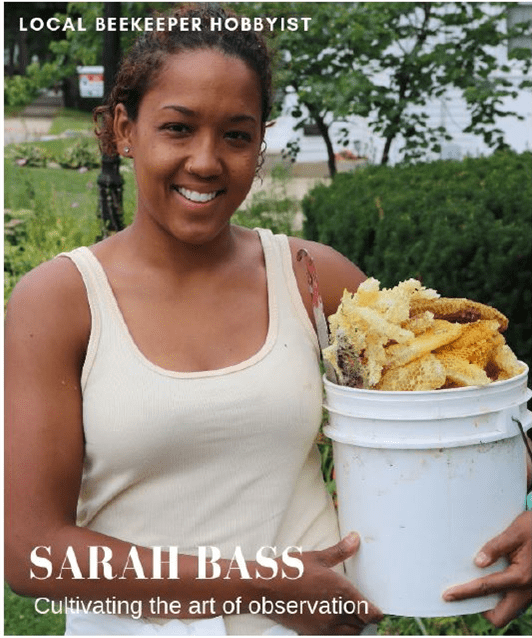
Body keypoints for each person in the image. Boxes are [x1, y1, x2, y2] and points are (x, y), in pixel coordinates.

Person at [4, 4, 531, 636]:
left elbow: (470, 408)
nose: (207, 161)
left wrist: (525, 510)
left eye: (236, 135)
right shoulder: (61, 301)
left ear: (260, 143)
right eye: (177, 128)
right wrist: (259, 583)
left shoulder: (315, 280)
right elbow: (31, 552)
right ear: (123, 128)